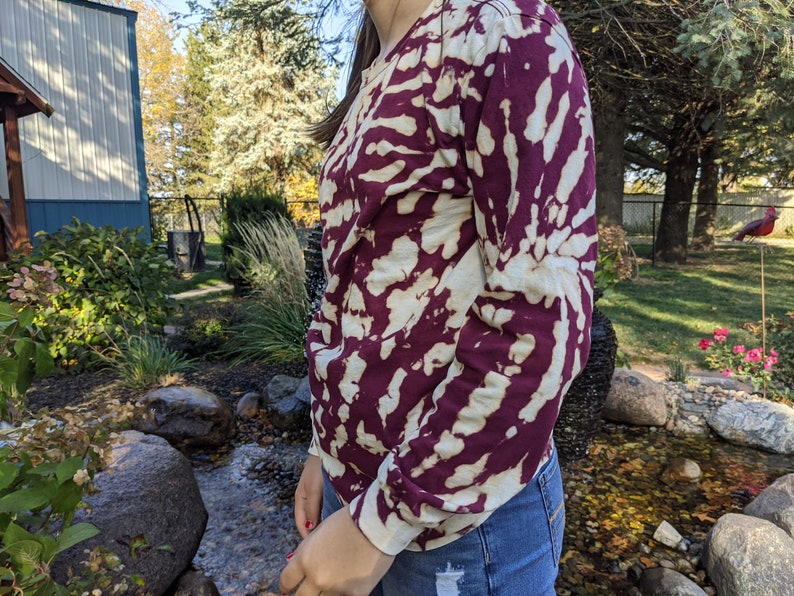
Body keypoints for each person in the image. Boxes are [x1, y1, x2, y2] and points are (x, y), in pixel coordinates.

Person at [279, 0, 596, 593]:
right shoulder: (383, 63)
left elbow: (543, 324)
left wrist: (379, 524)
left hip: (459, 527)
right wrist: (326, 446)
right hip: (363, 503)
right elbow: (351, 291)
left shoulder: (505, 30)